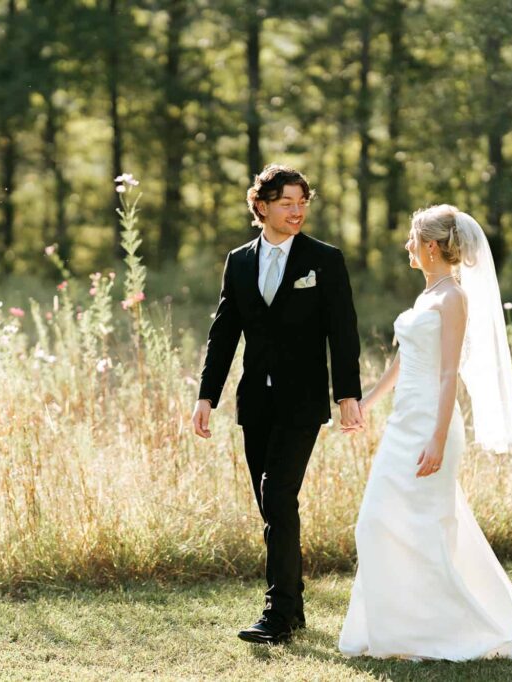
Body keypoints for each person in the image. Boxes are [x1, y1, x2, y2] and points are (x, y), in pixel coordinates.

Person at [337, 204, 512, 660]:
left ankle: (442, 631)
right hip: (403, 423)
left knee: (420, 527)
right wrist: (365, 404)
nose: (407, 247)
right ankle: (403, 627)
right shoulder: (426, 297)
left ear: (430, 246)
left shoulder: (453, 299)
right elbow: (402, 364)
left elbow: (448, 375)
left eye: (412, 240)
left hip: (431, 424)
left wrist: (438, 438)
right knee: (381, 523)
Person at [192, 164, 363, 644]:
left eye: (302, 201)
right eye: (287, 202)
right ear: (261, 206)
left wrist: (348, 395)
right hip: (255, 403)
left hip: (303, 401)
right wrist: (207, 395)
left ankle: (279, 613)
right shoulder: (239, 261)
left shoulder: (324, 259)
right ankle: (294, 605)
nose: (297, 210)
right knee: (272, 507)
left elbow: (343, 332)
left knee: (277, 494)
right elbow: (223, 333)